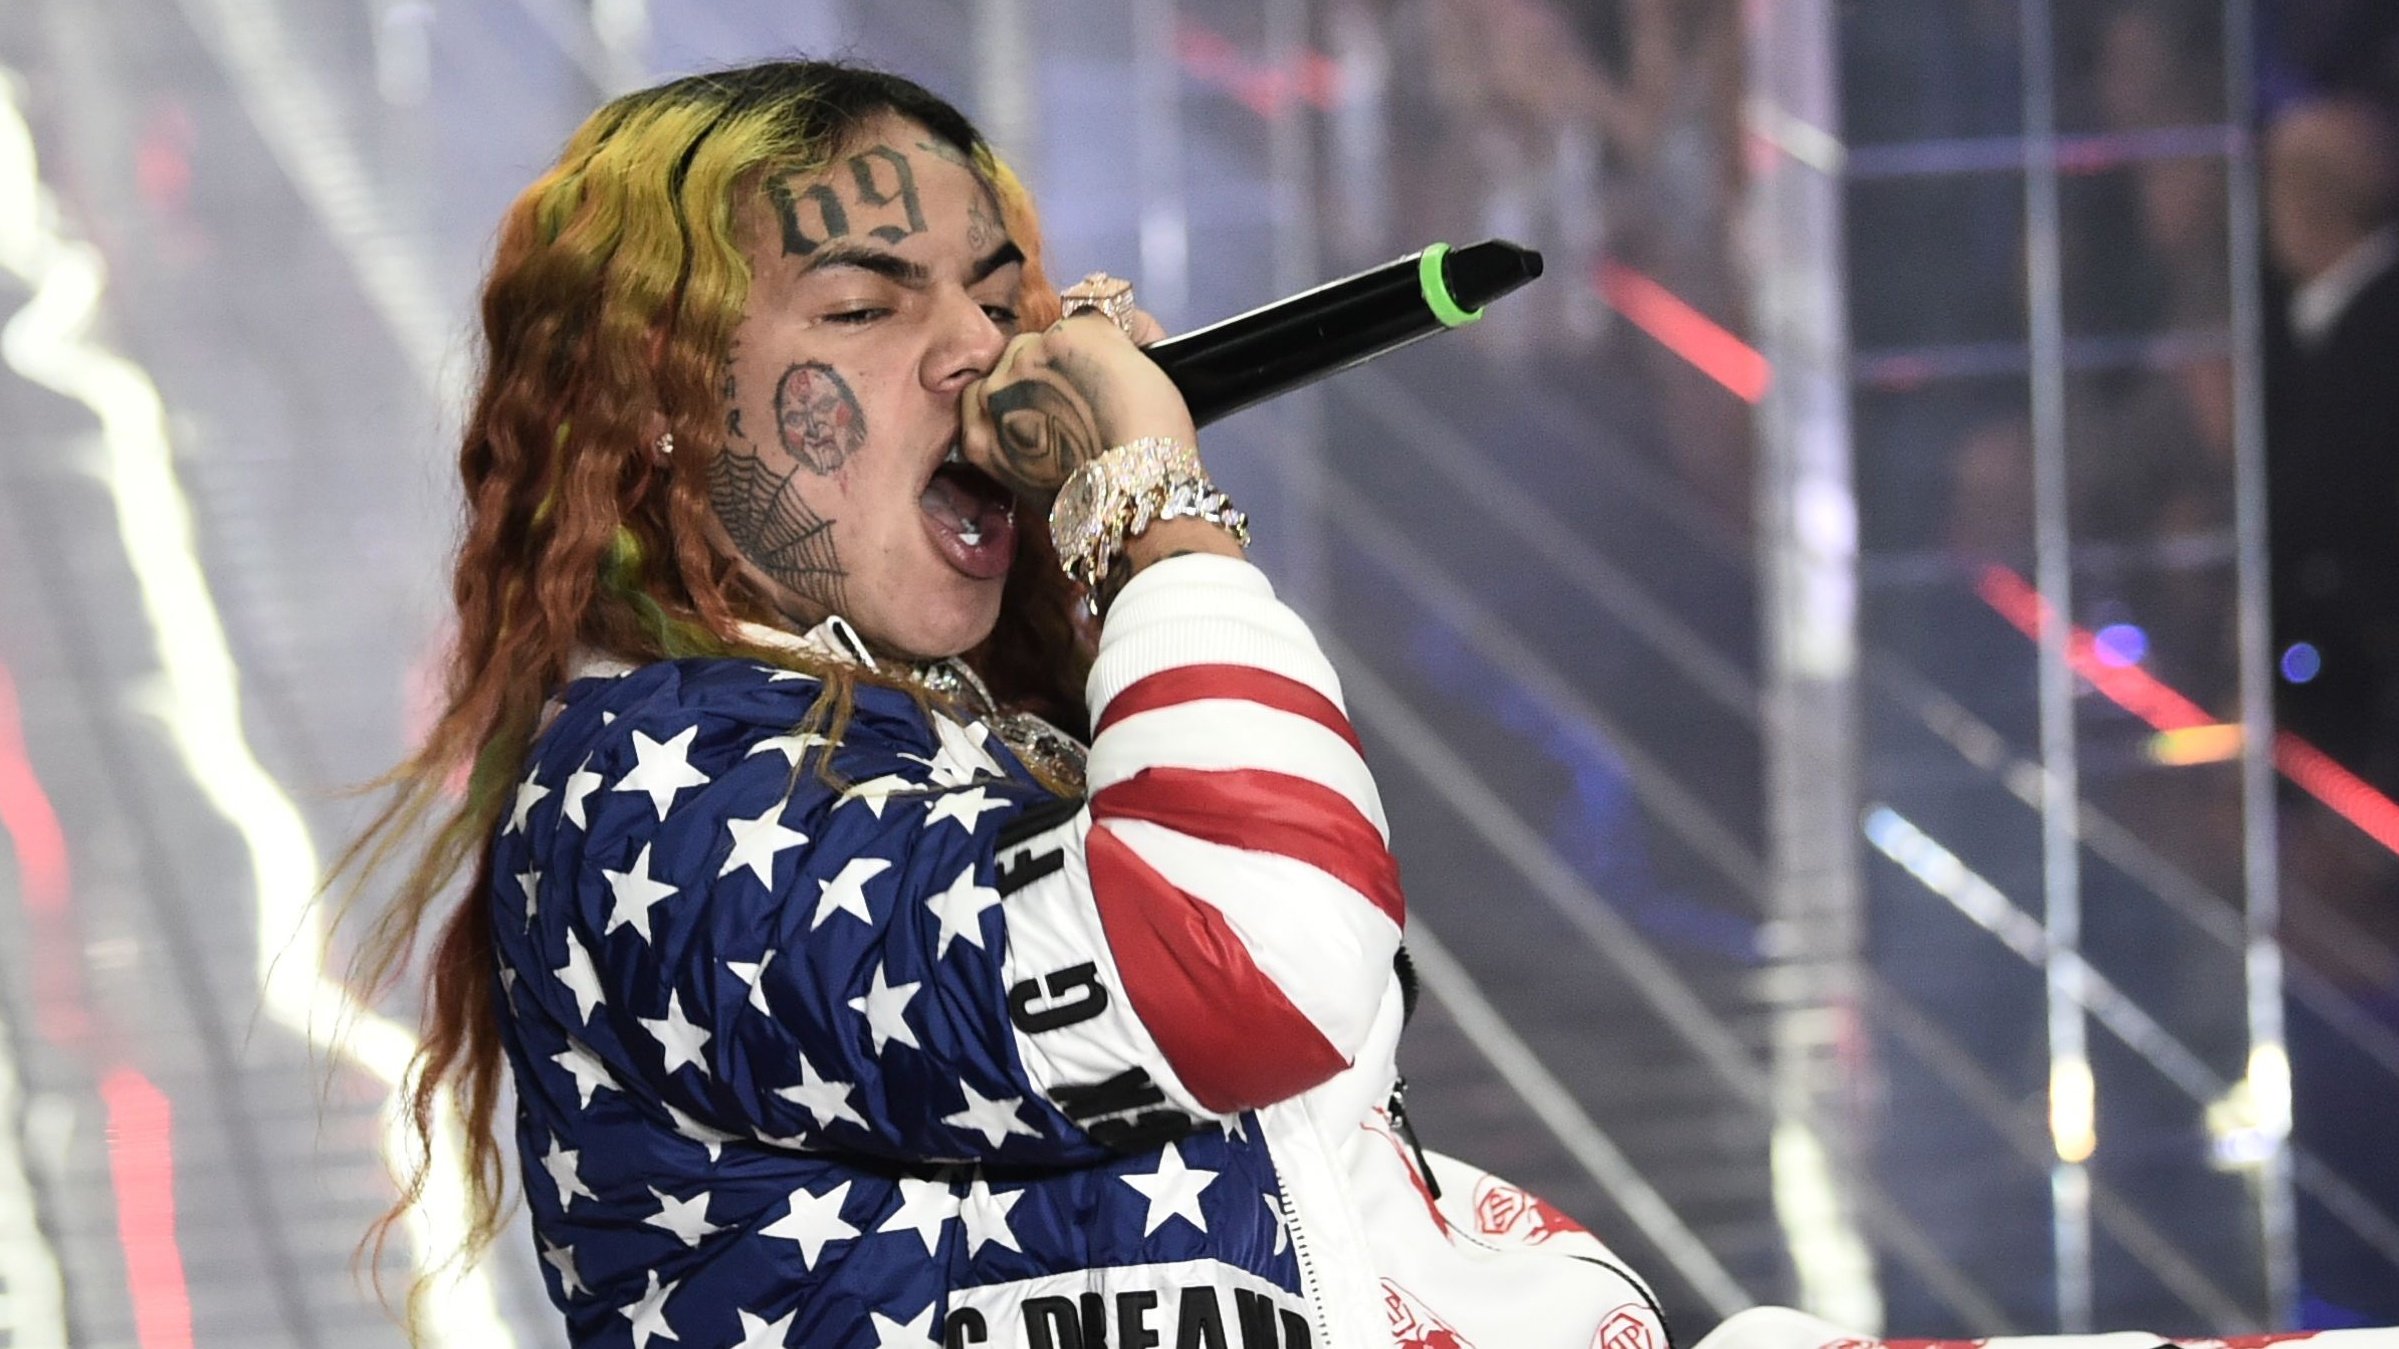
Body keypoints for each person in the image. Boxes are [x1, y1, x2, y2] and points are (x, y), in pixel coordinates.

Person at [343, 60, 1667, 1348]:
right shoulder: (652, 792)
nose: (979, 353)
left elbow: (1304, 1110)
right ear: (658, 401)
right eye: (866, 309)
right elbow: (1258, 952)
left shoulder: (941, 726)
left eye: (993, 298)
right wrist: (1147, 506)